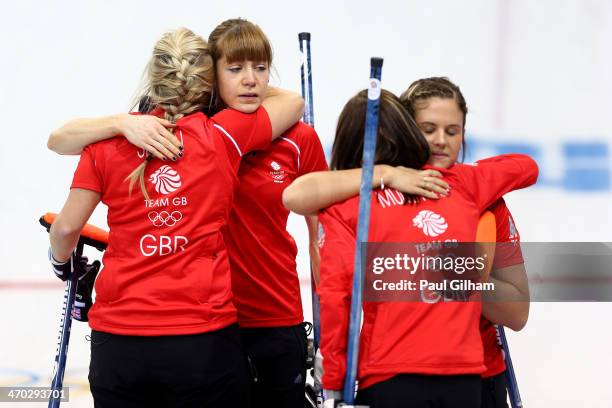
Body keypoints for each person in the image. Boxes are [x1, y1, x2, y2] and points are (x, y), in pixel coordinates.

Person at [48, 18, 327, 408]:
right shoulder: (221, 135)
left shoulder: (109, 143)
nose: (250, 80)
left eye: (260, 68)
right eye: (234, 68)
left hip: (143, 334)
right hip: (202, 333)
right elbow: (291, 101)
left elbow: (64, 222)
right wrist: (124, 122)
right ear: (208, 76)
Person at [283, 88, 537, 407]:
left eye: (451, 130)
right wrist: (384, 175)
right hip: (435, 374)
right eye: (427, 130)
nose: (439, 142)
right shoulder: (352, 200)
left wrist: (458, 272)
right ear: (407, 134)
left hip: (473, 372)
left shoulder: (472, 190)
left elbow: (516, 313)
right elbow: (296, 197)